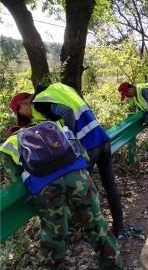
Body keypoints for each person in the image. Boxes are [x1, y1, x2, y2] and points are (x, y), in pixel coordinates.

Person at [0, 122, 123, 270]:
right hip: (78, 175)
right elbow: (83, 154)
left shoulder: (8, 145)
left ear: (11, 134)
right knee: (96, 221)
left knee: (53, 232)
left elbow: (16, 178)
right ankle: (113, 267)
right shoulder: (53, 126)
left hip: (47, 187)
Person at [10, 83, 124, 238]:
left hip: (88, 145)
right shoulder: (57, 89)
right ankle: (119, 227)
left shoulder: (39, 102)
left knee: (86, 190)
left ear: (23, 103)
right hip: (101, 137)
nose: (26, 117)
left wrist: (68, 141)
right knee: (109, 184)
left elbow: (67, 112)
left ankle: (99, 232)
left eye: (22, 113)